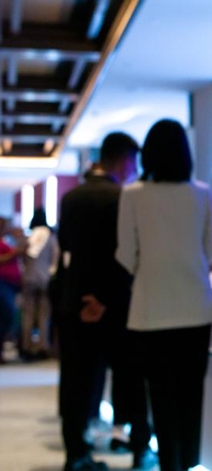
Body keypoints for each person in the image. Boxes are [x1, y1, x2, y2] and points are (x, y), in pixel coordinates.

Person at [116, 119, 212, 471]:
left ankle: (169, 466)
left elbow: (126, 256)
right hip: (196, 310)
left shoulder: (132, 195)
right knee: (192, 399)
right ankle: (189, 464)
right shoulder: (202, 194)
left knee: (161, 399)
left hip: (150, 312)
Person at [58, 132, 154, 471]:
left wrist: (88, 298)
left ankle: (76, 453)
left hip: (77, 303)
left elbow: (68, 248)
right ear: (125, 159)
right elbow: (125, 254)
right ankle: (140, 447)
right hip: (116, 304)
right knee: (130, 377)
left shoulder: (70, 198)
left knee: (76, 381)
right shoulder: (124, 198)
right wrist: (105, 298)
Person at [20, 208, 59, 360]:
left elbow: (23, 259)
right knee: (43, 315)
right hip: (45, 279)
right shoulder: (51, 238)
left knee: (28, 314)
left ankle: (27, 346)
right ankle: (42, 346)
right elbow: (55, 259)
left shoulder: (28, 238)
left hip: (29, 278)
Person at [0, 217, 25, 364]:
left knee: (7, 318)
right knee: (6, 316)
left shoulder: (7, 240)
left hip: (10, 284)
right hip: (2, 283)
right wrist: (14, 253)